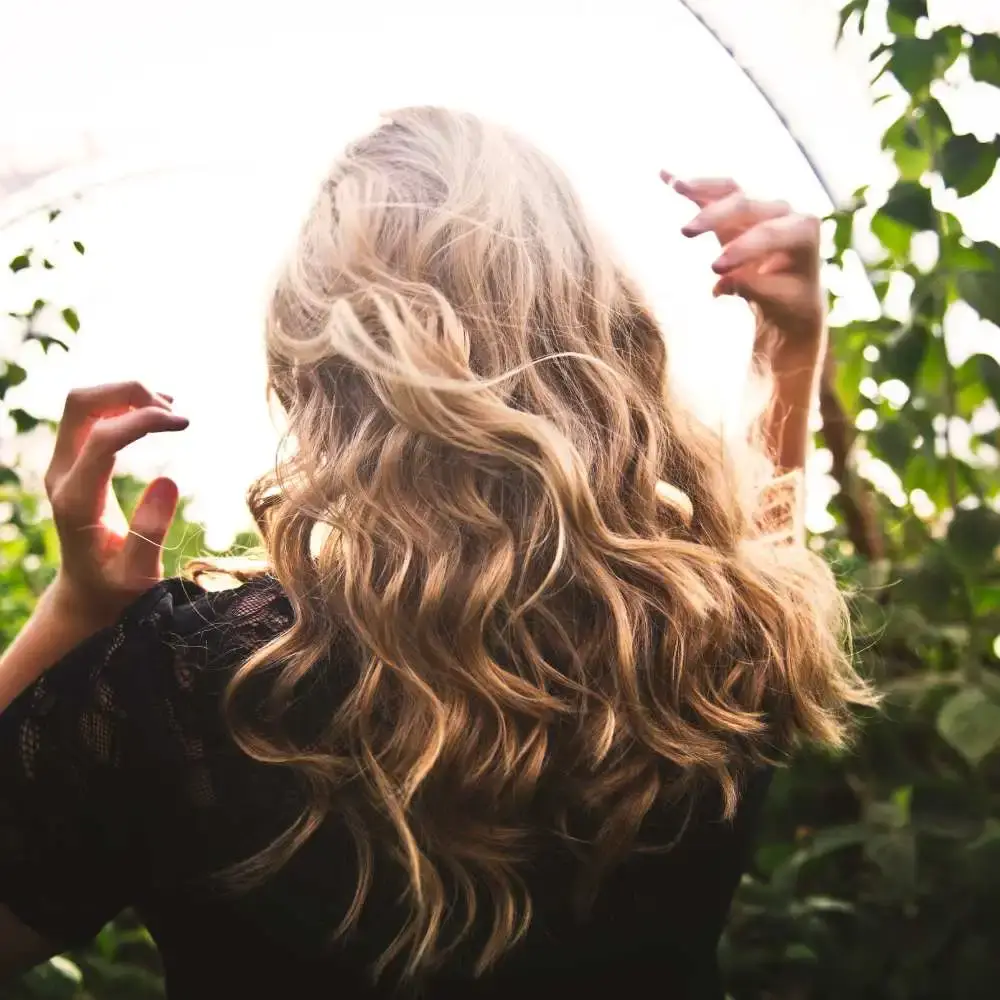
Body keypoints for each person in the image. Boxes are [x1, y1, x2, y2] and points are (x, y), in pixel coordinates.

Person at [0, 107, 874, 999]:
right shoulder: (719, 638)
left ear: (314, 365)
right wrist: (790, 346)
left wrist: (76, 613)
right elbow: (762, 564)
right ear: (597, 325)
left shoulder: (188, 683)